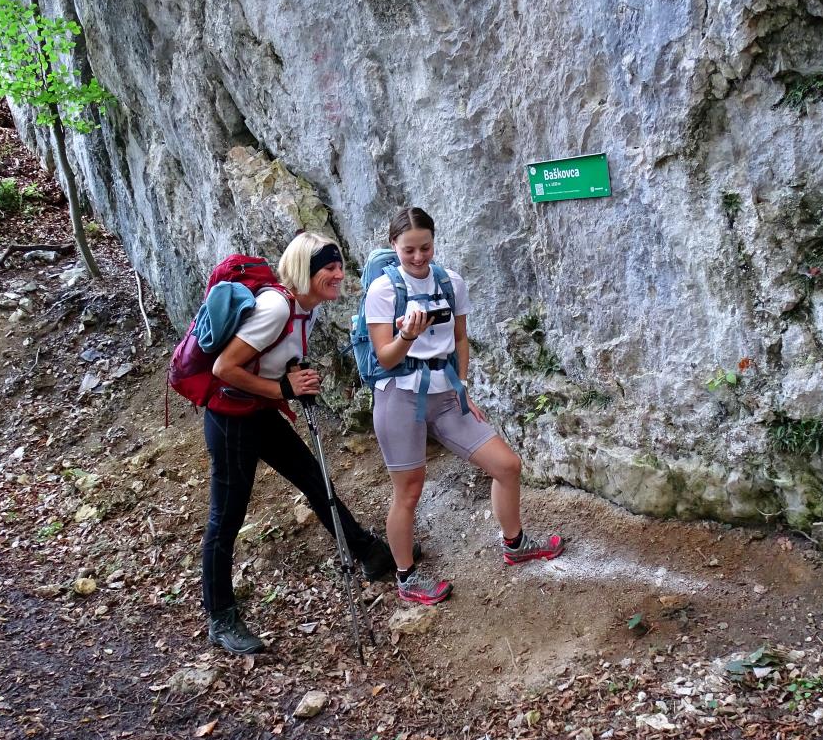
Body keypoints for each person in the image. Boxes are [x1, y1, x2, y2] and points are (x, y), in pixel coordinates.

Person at [202, 232, 401, 655]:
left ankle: (370, 553)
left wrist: (291, 377)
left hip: (257, 410)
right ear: (305, 271)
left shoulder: (304, 308)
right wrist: (283, 389)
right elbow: (223, 368)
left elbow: (272, 359)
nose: (338, 274)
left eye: (339, 265)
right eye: (328, 267)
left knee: (314, 480)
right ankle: (220, 617)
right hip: (230, 417)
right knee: (227, 516)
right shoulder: (277, 307)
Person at [366, 207, 564, 605]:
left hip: (445, 394)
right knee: (409, 491)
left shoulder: (450, 282)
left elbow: (459, 339)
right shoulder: (383, 290)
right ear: (394, 246)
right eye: (409, 250)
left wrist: (464, 388)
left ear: (434, 242)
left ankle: (515, 544)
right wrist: (407, 336)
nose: (418, 257)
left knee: (507, 465)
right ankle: (406, 578)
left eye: (425, 247)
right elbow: (385, 357)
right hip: (399, 396)